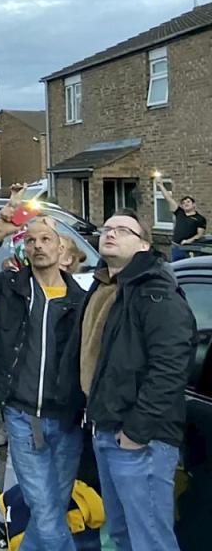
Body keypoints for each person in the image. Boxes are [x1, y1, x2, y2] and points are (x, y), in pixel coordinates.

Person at [0, 203, 87, 551]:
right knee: (44, 510)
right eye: (31, 240)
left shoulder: (81, 301)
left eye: (46, 239)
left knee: (53, 510)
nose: (38, 245)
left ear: (63, 250)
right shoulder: (10, 287)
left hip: (67, 416)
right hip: (23, 415)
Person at [82, 209, 197, 551]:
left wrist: (136, 431)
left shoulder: (155, 290)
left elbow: (171, 367)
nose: (111, 233)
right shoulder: (108, 287)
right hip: (107, 428)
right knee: (121, 535)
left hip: (140, 440)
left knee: (150, 540)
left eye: (123, 230)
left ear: (145, 244)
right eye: (107, 228)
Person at [158, 184, 207, 261]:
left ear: (194, 204)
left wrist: (188, 241)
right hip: (175, 246)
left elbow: (199, 234)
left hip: (189, 248)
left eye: (188, 202)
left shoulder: (200, 219)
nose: (186, 204)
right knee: (176, 267)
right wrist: (160, 185)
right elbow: (168, 199)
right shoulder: (179, 213)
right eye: (183, 203)